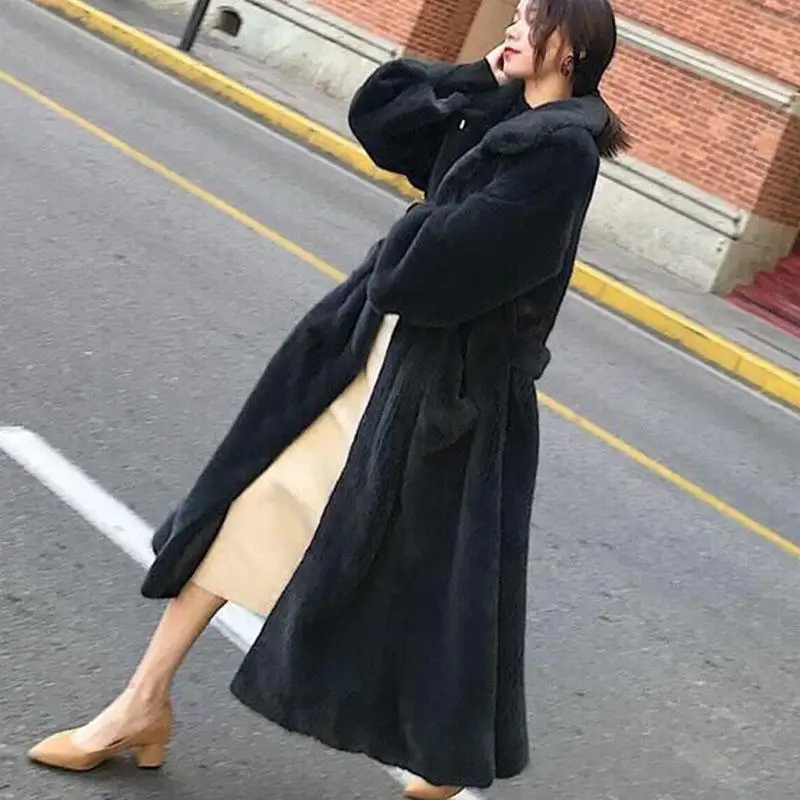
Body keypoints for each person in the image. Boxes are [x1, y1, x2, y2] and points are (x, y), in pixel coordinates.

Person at [27, 0, 629, 796]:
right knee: (258, 503)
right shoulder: (503, 112)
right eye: (512, 13)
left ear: (572, 46)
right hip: (375, 354)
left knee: (431, 583)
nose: (512, 26)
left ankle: (446, 754)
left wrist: (413, 231)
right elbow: (383, 121)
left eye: (530, 19)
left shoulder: (559, 155)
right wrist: (475, 77)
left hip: (443, 392)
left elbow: (432, 272)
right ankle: (142, 703)